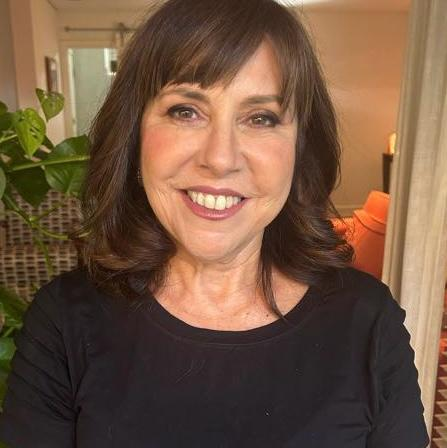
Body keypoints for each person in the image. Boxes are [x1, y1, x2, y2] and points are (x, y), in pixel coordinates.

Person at [0, 0, 430, 447]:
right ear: (134, 134)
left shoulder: (368, 323)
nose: (220, 158)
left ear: (300, 149)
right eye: (186, 111)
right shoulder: (64, 322)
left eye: (260, 118)